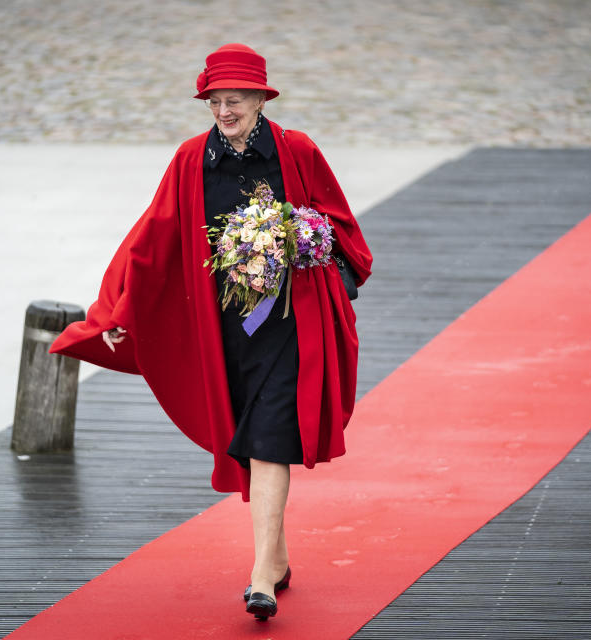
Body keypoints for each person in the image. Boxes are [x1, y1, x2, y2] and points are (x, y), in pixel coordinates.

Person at [50, 43, 372, 621]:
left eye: (236, 100)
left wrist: (304, 238)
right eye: (216, 102)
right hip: (223, 326)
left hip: (288, 322)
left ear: (260, 99)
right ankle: (276, 556)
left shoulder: (297, 151)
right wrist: (119, 310)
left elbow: (339, 220)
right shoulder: (190, 159)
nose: (225, 111)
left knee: (272, 433)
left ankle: (259, 579)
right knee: (248, 438)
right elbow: (152, 239)